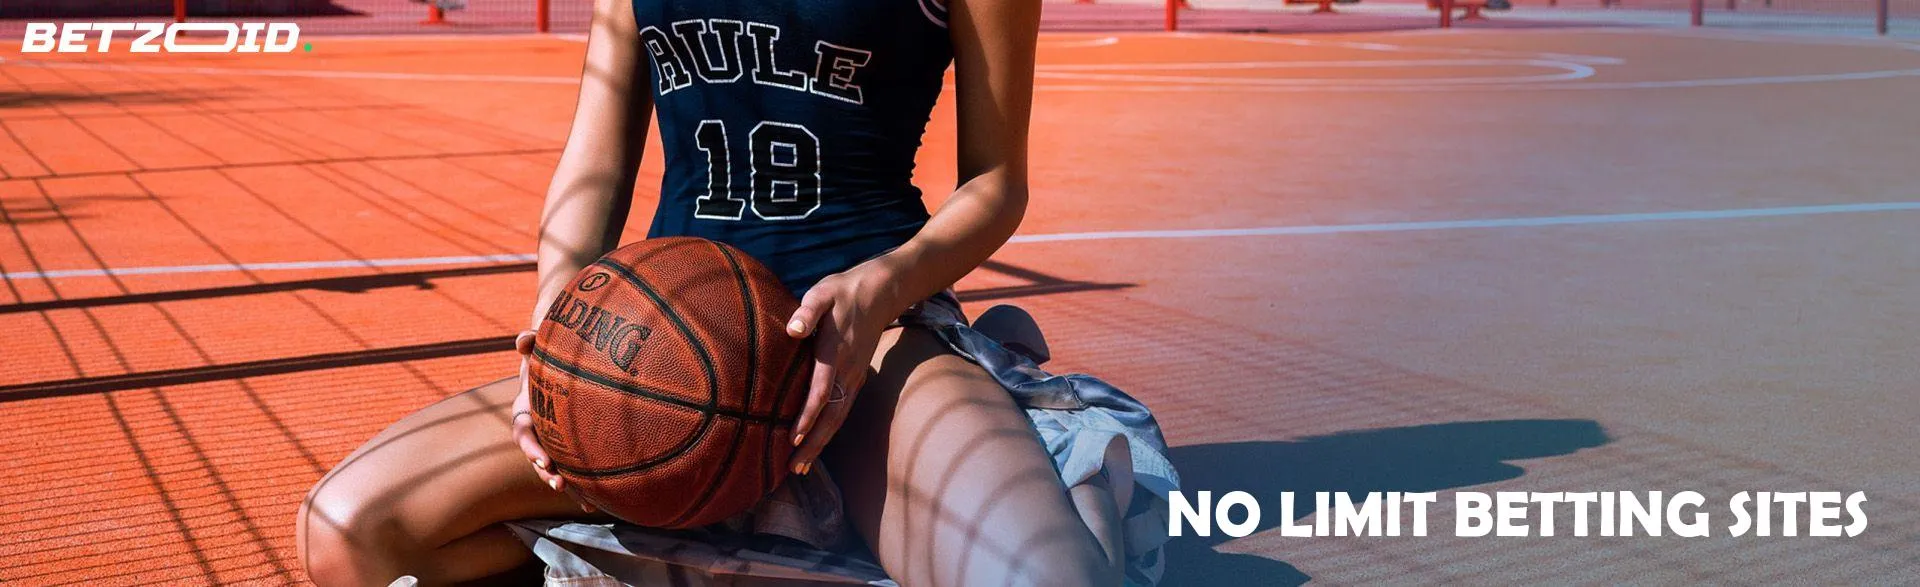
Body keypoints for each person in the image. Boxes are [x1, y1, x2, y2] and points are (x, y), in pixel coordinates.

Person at [296, 0, 1176, 583]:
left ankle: (1053, 449)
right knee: (343, 530)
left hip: (868, 333)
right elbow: (597, 164)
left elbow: (994, 182)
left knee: (1051, 577)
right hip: (660, 352)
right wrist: (560, 331)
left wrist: (881, 286)